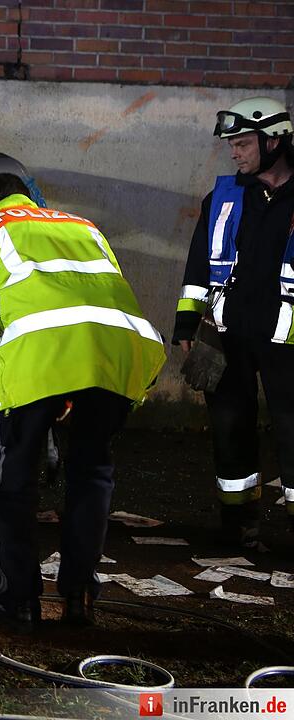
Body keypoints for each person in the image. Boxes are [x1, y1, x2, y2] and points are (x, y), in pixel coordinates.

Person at [0, 173, 166, 632]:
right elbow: (99, 298)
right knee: (91, 474)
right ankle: (80, 599)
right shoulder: (83, 227)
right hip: (114, 357)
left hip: (38, 362)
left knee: (13, 484)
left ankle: (17, 604)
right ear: (28, 200)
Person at [172, 97, 294, 549]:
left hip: (287, 339)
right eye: (232, 145)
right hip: (227, 336)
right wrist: (187, 326)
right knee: (229, 430)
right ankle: (238, 526)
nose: (235, 153)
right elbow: (198, 267)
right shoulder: (222, 197)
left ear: (274, 141)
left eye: (243, 144)